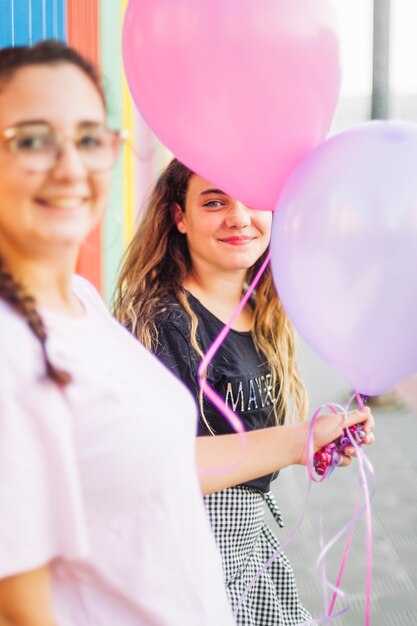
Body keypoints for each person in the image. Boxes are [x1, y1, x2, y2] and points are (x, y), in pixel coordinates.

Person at [0, 41, 236, 626]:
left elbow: (161, 462)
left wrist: (303, 439)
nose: (70, 167)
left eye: (88, 139)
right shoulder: (10, 349)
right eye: (32, 140)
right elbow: (18, 611)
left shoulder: (78, 300)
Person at [114, 158, 376, 626]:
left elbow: (249, 438)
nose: (238, 217)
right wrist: (298, 440)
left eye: (253, 200)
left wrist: (325, 437)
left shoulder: (262, 308)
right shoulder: (161, 322)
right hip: (186, 548)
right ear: (179, 217)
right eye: (214, 202)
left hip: (251, 540)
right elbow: (154, 464)